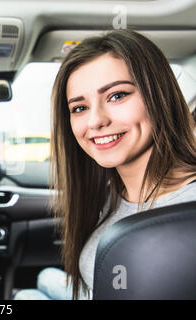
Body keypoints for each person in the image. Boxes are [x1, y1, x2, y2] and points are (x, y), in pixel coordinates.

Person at [15, 29, 196, 300]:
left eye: (117, 96)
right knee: (42, 280)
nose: (95, 121)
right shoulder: (110, 189)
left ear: (159, 95)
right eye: (79, 108)